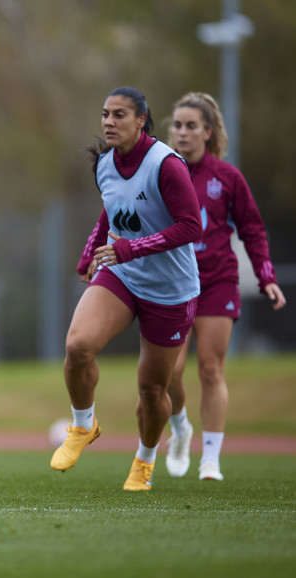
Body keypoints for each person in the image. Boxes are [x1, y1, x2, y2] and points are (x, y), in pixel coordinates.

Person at [50, 86, 202, 491]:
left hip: (170, 290)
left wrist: (130, 247)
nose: (109, 122)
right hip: (123, 275)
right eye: (105, 114)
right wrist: (89, 253)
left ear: (141, 121)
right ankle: (84, 426)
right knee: (78, 346)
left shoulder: (166, 164)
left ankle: (145, 460)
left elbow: (191, 226)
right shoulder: (104, 163)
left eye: (119, 115)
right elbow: (111, 212)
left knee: (153, 391)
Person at [164, 92, 287, 481]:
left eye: (191, 126)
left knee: (211, 369)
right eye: (177, 125)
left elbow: (252, 229)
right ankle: (181, 427)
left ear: (208, 132)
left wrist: (266, 276)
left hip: (217, 281)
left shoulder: (227, 177)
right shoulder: (162, 172)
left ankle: (211, 459)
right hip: (173, 284)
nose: (182, 133)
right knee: (168, 372)